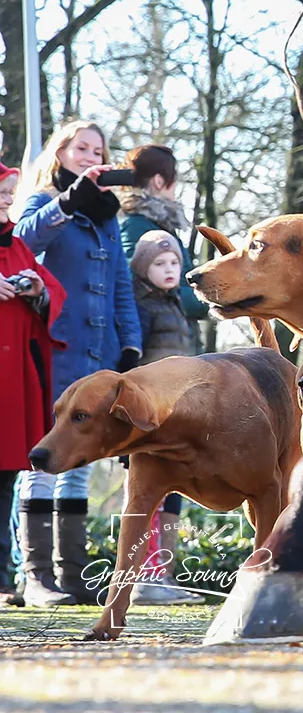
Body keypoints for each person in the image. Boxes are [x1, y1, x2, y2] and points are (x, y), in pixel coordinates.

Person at [13, 120, 143, 606]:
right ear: (61, 152)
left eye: (98, 150)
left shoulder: (109, 215)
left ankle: (71, 575)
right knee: (42, 459)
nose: (90, 155)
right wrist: (65, 204)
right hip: (52, 347)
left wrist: (129, 345)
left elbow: (121, 287)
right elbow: (21, 240)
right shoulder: (43, 200)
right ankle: (36, 577)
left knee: (81, 463)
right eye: (81, 147)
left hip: (100, 352)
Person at [126, 230, 206, 604]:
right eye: (159, 264)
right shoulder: (140, 308)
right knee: (149, 494)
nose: (170, 269)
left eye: (174, 262)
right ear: (143, 269)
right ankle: (144, 573)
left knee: (174, 492)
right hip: (148, 415)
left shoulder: (177, 304)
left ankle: (164, 572)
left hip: (179, 413)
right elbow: (134, 363)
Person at [0, 161, 67, 607]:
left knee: (4, 482)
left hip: (10, 382)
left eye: (11, 194)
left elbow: (52, 290)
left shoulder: (19, 245)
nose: (9, 201)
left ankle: (3, 580)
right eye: (2, 194)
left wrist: (34, 289)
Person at [117, 144, 208, 355]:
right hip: (158, 347)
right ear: (159, 181)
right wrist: (202, 298)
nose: (175, 188)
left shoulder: (161, 224)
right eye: (174, 181)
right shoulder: (137, 226)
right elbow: (137, 286)